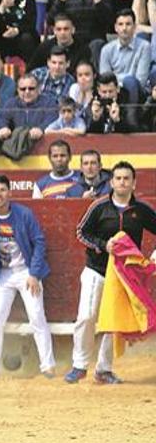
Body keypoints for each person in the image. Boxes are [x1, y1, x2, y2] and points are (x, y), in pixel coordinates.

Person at [66, 161, 156, 385]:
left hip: (123, 276)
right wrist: (102, 245)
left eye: (127, 179)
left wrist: (153, 259)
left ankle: (103, 369)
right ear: (112, 182)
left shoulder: (141, 210)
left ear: (134, 183)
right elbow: (81, 232)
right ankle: (79, 364)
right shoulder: (99, 206)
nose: (122, 182)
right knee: (86, 317)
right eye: (118, 178)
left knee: (111, 321)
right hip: (96, 269)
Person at [0, 175, 56, 379]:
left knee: (37, 316)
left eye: (3, 190)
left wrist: (34, 274)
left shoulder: (24, 214)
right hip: (3, 274)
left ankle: (48, 366)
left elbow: (39, 241)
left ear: (10, 193)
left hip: (26, 271)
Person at [99, 9, 150, 105]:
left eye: (128, 24)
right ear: (115, 27)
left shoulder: (144, 47)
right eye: (121, 24)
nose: (124, 28)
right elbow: (105, 79)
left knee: (130, 82)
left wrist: (118, 80)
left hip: (136, 92)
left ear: (134, 27)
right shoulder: (106, 50)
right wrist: (117, 87)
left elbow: (140, 80)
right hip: (112, 92)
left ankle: (131, 117)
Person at [47, 0, 111, 48]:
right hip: (70, 42)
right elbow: (50, 20)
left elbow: (108, 21)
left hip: (93, 41)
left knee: (96, 44)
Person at [0, 74, 58, 144]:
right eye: (23, 89)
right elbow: (2, 119)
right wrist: (2, 127)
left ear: (39, 89)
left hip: (42, 145)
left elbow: (52, 118)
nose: (27, 92)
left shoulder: (49, 102)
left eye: (31, 88)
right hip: (16, 147)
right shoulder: (11, 103)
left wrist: (41, 129)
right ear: (17, 90)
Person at [28, 14, 93, 71]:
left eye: (66, 29)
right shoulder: (44, 48)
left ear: (73, 30)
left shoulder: (83, 49)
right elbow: (31, 70)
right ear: (54, 31)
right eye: (59, 29)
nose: (62, 33)